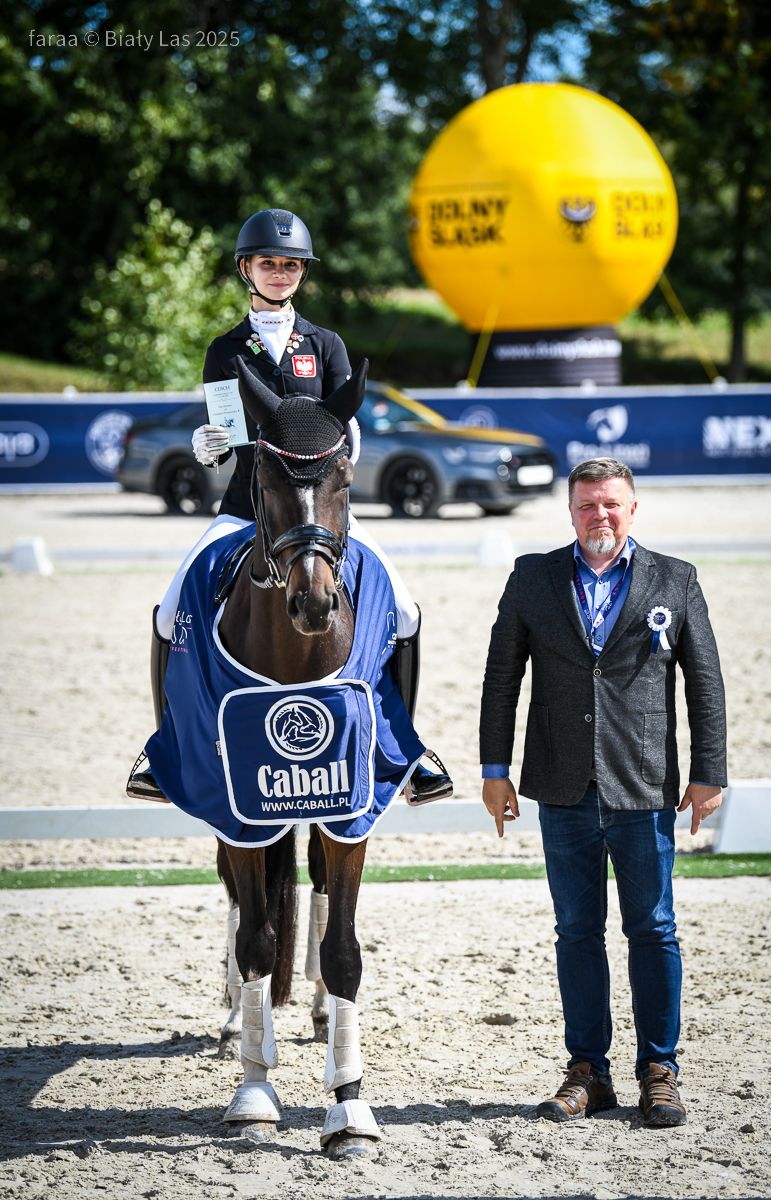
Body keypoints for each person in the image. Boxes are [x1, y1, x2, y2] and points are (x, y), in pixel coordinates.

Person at [127, 207, 451, 804]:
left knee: (404, 611)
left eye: (291, 265)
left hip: (321, 511)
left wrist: (341, 446)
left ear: (302, 273)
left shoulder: (325, 344)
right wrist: (209, 444)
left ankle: (406, 752)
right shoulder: (226, 350)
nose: (280, 273)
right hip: (246, 509)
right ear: (246, 269)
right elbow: (227, 434)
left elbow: (348, 427)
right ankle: (164, 751)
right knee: (171, 611)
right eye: (269, 263)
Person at [479, 457, 726, 1128]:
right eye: (587, 504)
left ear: (632, 508)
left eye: (611, 503)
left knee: (654, 928)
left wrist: (709, 771)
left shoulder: (675, 579)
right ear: (570, 511)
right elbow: (501, 677)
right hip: (561, 784)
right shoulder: (531, 578)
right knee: (576, 931)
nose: (600, 515)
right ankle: (589, 1071)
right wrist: (495, 770)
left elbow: (705, 681)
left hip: (643, 784)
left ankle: (660, 1070)